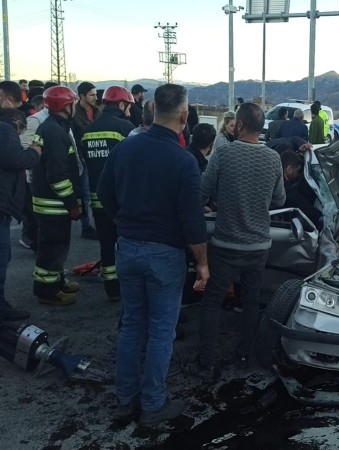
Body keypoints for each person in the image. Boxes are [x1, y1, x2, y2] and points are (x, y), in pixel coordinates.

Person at [98, 83, 209, 427]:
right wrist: (203, 263)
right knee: (161, 331)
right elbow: (192, 221)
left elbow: (104, 193)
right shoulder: (183, 160)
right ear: (184, 115)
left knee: (132, 326)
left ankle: (125, 400)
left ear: (151, 110)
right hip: (164, 256)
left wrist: (125, 223)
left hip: (127, 248)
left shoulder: (126, 148)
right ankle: (152, 405)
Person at [185, 102, 285, 379]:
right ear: (261, 126)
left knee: (212, 302)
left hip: (226, 245)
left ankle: (206, 362)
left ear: (239, 125)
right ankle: (243, 354)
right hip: (259, 246)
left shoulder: (224, 154)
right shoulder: (273, 158)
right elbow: (279, 200)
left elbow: (202, 193)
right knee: (251, 302)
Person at [81, 86, 135, 302]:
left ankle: (111, 287)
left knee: (106, 244)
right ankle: (127, 285)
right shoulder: (126, 128)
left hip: (97, 198)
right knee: (126, 244)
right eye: (128, 106)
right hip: (122, 201)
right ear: (122, 105)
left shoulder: (88, 130)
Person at [30, 86, 82, 306]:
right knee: (52, 248)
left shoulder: (54, 127)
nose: (76, 107)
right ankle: (47, 291)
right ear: (65, 106)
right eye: (73, 104)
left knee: (57, 246)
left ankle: (57, 281)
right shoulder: (55, 132)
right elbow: (58, 175)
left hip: (51, 202)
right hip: (54, 204)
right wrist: (72, 203)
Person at [0, 108, 41, 322]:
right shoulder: (6, 130)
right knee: (1, 258)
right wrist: (34, 151)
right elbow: (16, 160)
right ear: (17, 122)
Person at [71, 82, 100, 241]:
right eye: (92, 95)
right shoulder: (74, 113)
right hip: (82, 160)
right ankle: (86, 227)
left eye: (95, 94)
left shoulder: (97, 112)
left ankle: (96, 224)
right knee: (85, 194)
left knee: (95, 193)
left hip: (96, 158)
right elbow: (74, 137)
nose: (96, 98)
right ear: (82, 96)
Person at [280, 150, 322, 228]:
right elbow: (300, 203)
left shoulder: (278, 182)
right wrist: (319, 218)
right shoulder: (285, 188)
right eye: (297, 171)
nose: (298, 175)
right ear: (289, 169)